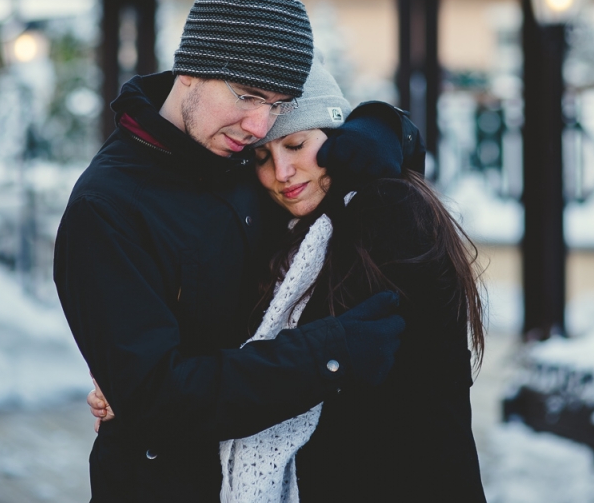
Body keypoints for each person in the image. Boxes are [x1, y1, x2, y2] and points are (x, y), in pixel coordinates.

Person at [54, 0, 421, 502]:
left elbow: (330, 158)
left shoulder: (239, 159)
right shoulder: (106, 209)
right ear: (191, 70)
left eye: (277, 105)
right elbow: (157, 400)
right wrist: (327, 355)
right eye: (249, 96)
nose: (259, 126)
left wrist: (383, 127)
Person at [90, 58, 487, 502]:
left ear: (341, 141)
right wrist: (134, 379)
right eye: (262, 157)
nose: (281, 173)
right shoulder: (282, 234)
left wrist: (384, 124)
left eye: (296, 145)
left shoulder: (386, 213)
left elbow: (389, 387)